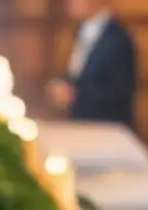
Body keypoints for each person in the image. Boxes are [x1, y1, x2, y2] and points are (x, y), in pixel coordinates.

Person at [46, 0, 136, 128]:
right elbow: (78, 73)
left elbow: (120, 91)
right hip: (79, 124)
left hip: (106, 131)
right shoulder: (79, 30)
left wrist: (74, 95)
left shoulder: (118, 38)